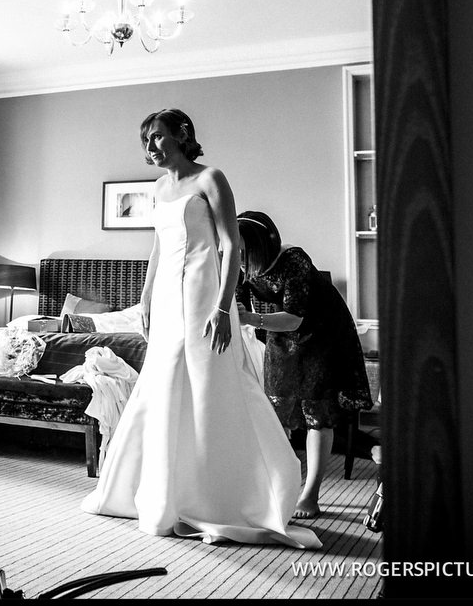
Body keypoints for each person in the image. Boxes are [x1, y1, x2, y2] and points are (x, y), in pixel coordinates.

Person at [81, 109, 320, 549]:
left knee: (210, 383)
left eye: (157, 138)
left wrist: (223, 306)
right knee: (164, 382)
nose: (150, 148)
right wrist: (146, 298)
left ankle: (224, 494)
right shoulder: (157, 187)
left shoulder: (211, 178)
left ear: (183, 134)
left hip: (205, 295)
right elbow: (156, 246)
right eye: (145, 141)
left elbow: (230, 245)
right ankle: (166, 491)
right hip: (168, 300)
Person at [234, 210, 375, 519]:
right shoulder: (238, 259)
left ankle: (310, 493)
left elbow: (294, 317)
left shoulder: (294, 261)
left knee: (317, 415)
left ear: (261, 245)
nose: (239, 257)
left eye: (244, 251)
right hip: (280, 338)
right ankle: (279, 487)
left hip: (320, 336)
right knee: (276, 410)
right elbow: (237, 297)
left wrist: (249, 318)